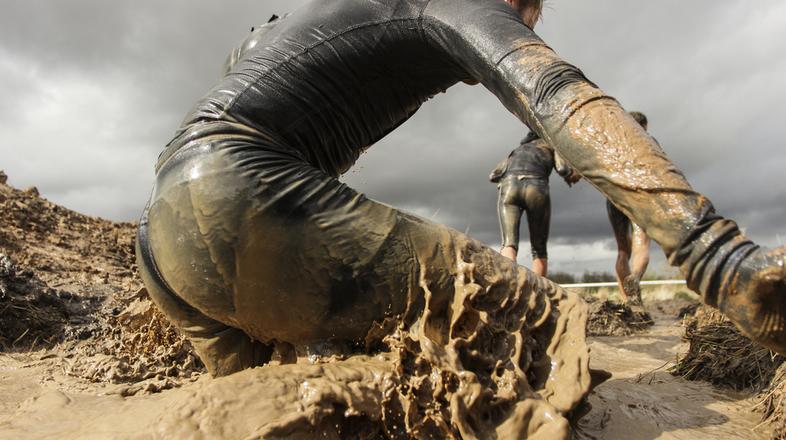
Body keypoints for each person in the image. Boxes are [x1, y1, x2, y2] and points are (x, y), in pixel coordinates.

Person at [136, 0, 786, 386]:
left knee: (272, 396)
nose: (522, 31)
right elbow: (557, 95)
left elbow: (245, 56)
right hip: (239, 192)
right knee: (543, 322)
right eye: (525, 19)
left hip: (161, 239)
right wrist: (719, 258)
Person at [490, 131, 579, 275]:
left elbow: (493, 174)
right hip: (536, 187)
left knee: (509, 244)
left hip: (509, 187)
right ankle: (538, 293)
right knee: (539, 249)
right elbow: (563, 169)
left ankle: (511, 287)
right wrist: (574, 175)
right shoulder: (550, 144)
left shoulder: (517, 151)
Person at [606, 111, 652, 305]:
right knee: (641, 244)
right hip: (638, 194)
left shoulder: (611, 143)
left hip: (613, 195)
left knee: (622, 251)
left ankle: (628, 301)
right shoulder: (647, 141)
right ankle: (635, 278)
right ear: (644, 127)